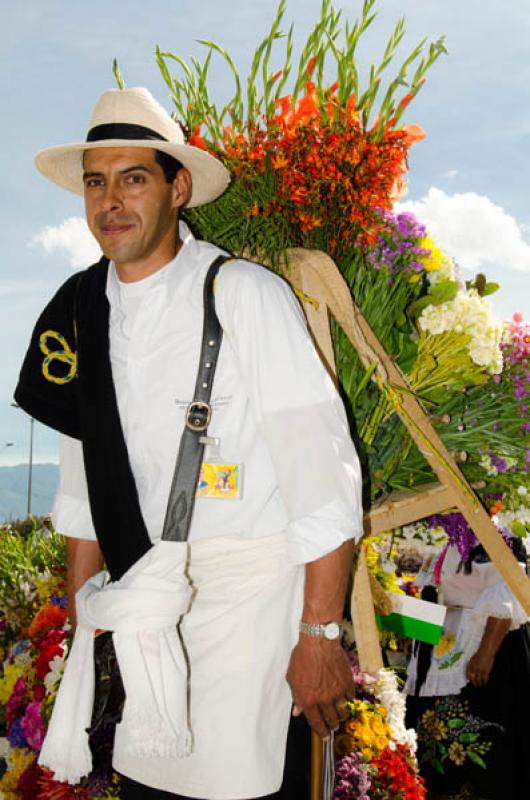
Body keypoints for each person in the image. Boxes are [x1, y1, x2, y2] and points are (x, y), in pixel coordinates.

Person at [14, 87, 364, 800]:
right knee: (144, 784)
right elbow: (83, 490)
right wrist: (81, 627)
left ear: (177, 188)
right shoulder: (79, 309)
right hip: (141, 609)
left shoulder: (242, 295)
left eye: (133, 178)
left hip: (245, 608)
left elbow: (324, 481)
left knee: (236, 787)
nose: (111, 200)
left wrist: (320, 636)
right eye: (95, 181)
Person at [405, 536, 530, 800]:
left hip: (483, 653)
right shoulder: (440, 532)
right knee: (436, 749)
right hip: (439, 652)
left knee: (486, 747)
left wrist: (486, 653)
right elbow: (435, 595)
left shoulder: (500, 534)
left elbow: (509, 589)